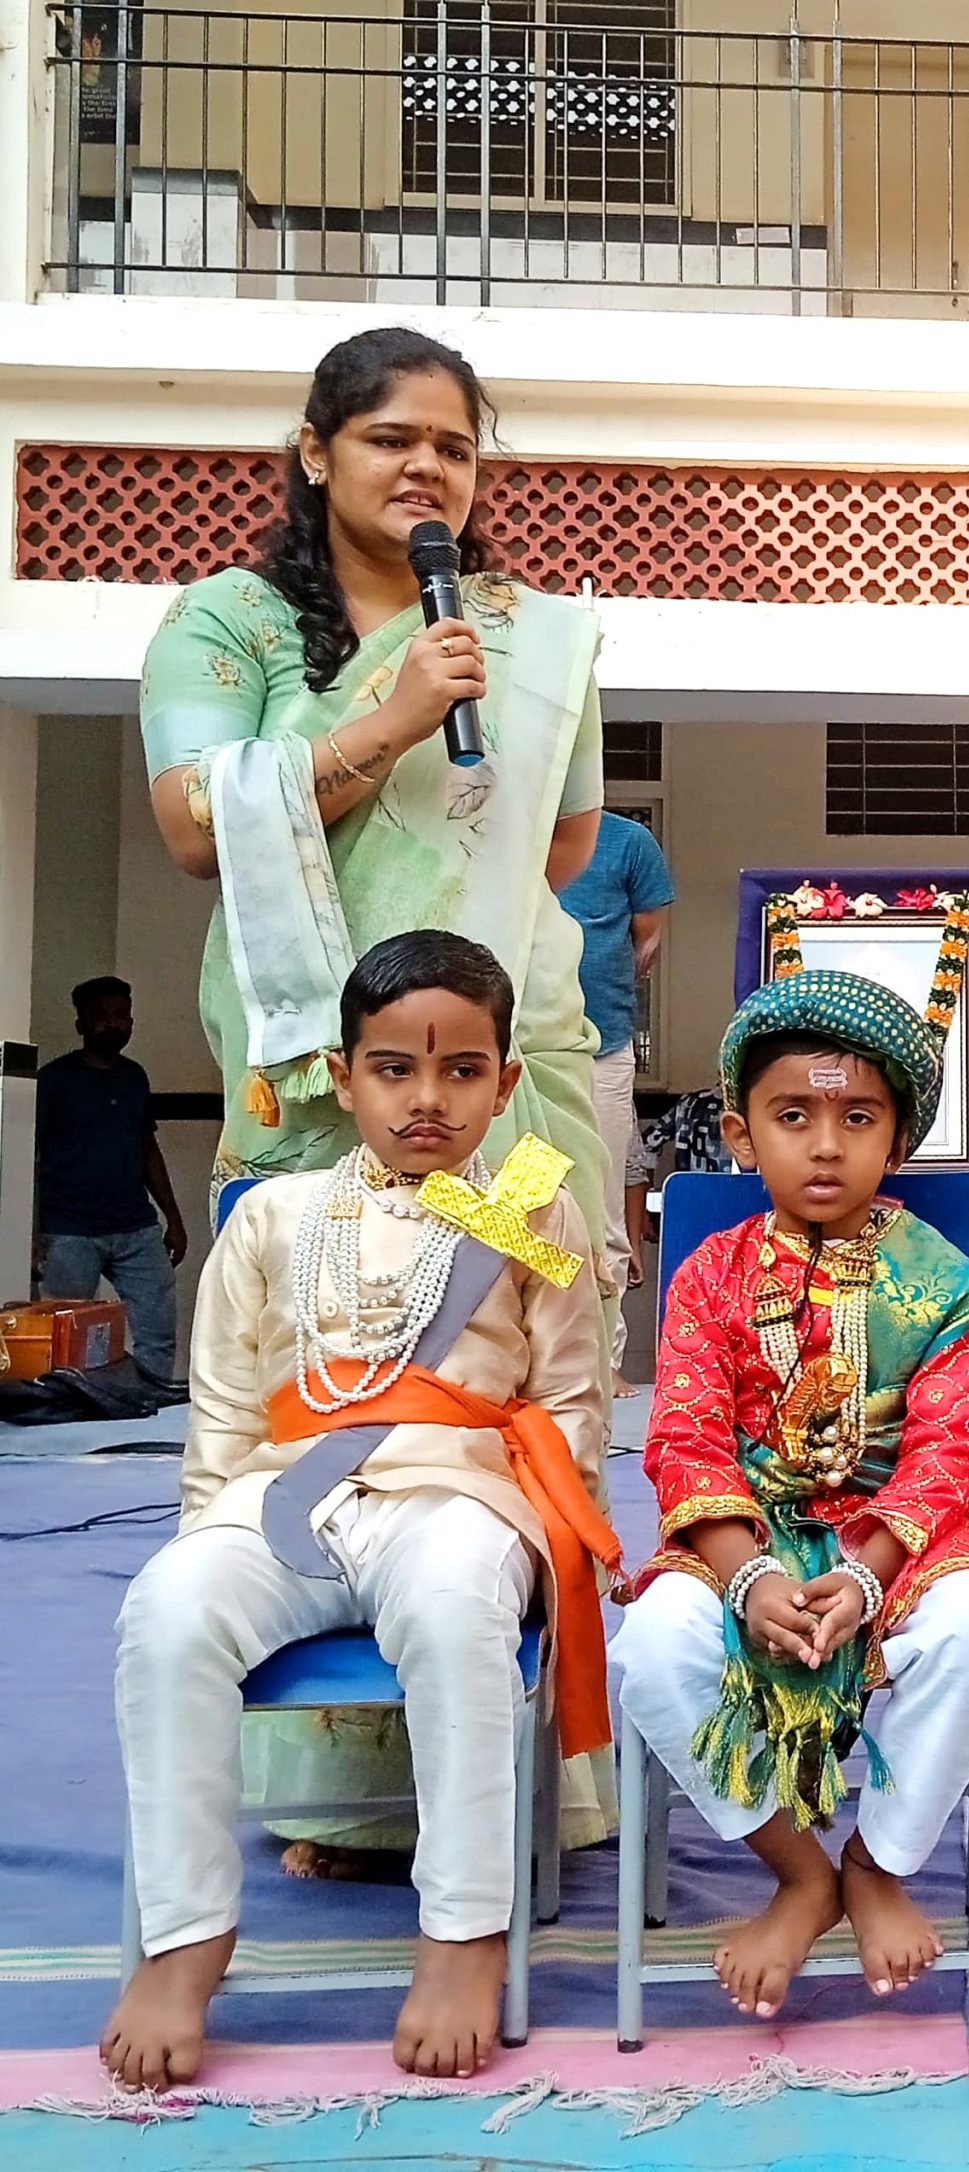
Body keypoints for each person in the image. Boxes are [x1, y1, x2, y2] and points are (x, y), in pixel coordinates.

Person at [136, 326, 620, 1858]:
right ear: (314, 450)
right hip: (316, 1086)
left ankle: (542, 1763)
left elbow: (557, 846)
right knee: (326, 1415)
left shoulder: (529, 636)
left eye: (457, 449)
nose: (428, 471)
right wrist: (393, 722)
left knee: (513, 1414)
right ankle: (348, 1798)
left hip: (504, 1078)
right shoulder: (225, 626)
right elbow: (198, 825)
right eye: (392, 440)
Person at [101, 933, 616, 2091]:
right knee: (170, 1612)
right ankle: (186, 1941)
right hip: (283, 1500)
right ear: (342, 1076)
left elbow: (575, 1403)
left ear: (505, 1078)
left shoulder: (539, 1209)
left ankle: (463, 1934)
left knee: (448, 1603)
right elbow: (224, 1415)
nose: (426, 1101)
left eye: (461, 1071)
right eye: (393, 1069)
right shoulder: (275, 1214)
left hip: (463, 1497)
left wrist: (552, 1550)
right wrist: (212, 1540)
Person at [609, 972, 969, 2020]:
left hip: (901, 1546)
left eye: (858, 1117)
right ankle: (799, 1872)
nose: (826, 1144)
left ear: (898, 1140)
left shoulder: (940, 1279)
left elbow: (948, 1447)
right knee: (653, 1648)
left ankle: (877, 1866)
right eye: (794, 1116)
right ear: (743, 1138)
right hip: (738, 1541)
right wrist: (746, 1576)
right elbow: (685, 1436)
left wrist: (863, 1576)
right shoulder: (707, 1274)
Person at [559, 808, 676, 1392]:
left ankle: (605, 1358)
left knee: (603, 1202)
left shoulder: (629, 841)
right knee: (514, 1197)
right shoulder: (506, 823)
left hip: (603, 1046)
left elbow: (647, 941)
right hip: (514, 1051)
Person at [34, 976, 188, 1382]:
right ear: (80, 1024)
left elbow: (147, 1149)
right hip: (68, 1232)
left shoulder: (134, 1076)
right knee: (63, 1338)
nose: (113, 1024)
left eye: (121, 1015)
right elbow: (30, 1158)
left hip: (136, 1228)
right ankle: (67, 1410)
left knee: (157, 1332)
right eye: (101, 1016)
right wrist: (30, 1232)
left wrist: (173, 1217)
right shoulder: (52, 1081)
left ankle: (149, 1402)